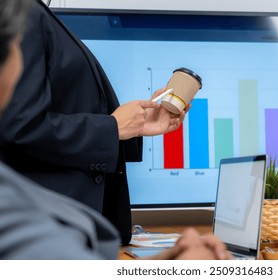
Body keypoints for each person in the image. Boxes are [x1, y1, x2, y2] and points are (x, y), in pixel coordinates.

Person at [0, 0, 230, 260]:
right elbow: (19, 126)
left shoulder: (35, 13)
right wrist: (112, 127)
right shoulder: (22, 11)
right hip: (48, 234)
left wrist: (136, 127)